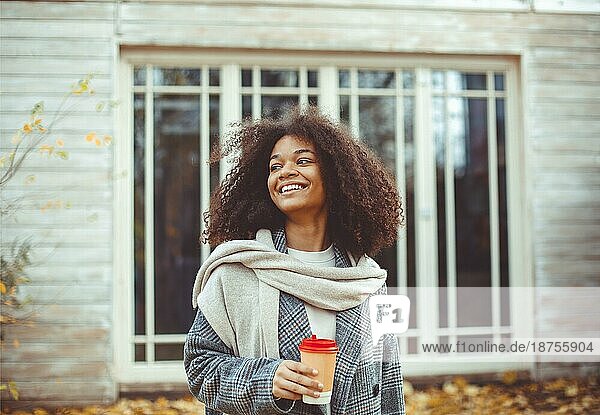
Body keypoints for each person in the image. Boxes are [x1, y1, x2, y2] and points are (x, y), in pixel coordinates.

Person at [184, 105, 405, 415]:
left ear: (336, 175)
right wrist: (265, 379)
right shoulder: (237, 272)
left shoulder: (367, 281)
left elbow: (389, 384)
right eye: (275, 167)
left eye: (302, 161)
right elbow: (200, 366)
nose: (285, 172)